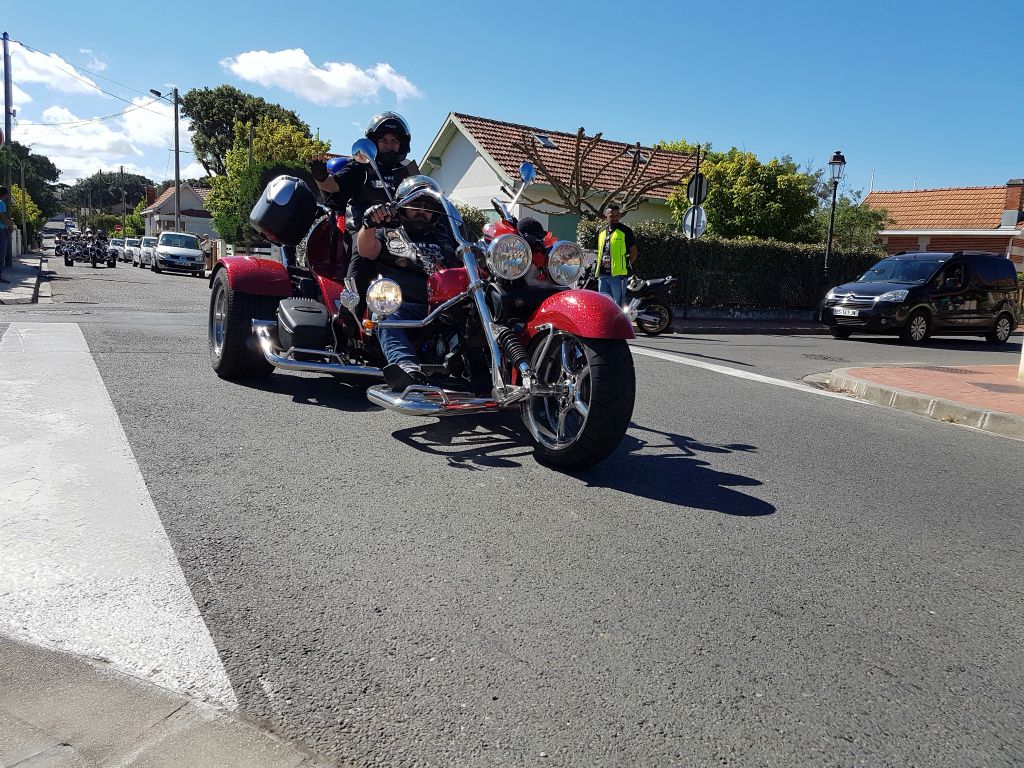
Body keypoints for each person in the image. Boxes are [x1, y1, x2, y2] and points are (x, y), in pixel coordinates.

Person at [355, 193, 456, 389]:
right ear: (402, 208)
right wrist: (368, 224)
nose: (422, 211)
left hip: (446, 308)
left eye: (428, 208)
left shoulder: (446, 240)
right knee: (384, 314)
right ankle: (407, 368)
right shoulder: (388, 234)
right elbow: (366, 250)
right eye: (415, 205)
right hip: (403, 307)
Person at [595, 203, 638, 306]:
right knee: (603, 305)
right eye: (612, 216)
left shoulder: (625, 231)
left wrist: (626, 265)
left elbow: (634, 252)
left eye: (617, 216)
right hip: (602, 275)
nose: (615, 218)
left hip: (617, 277)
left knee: (617, 306)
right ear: (606, 217)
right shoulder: (601, 232)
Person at [0, 187, 12, 283]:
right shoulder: (1, 203)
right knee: (1, 254)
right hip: (1, 231)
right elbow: (3, 217)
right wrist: (10, 226)